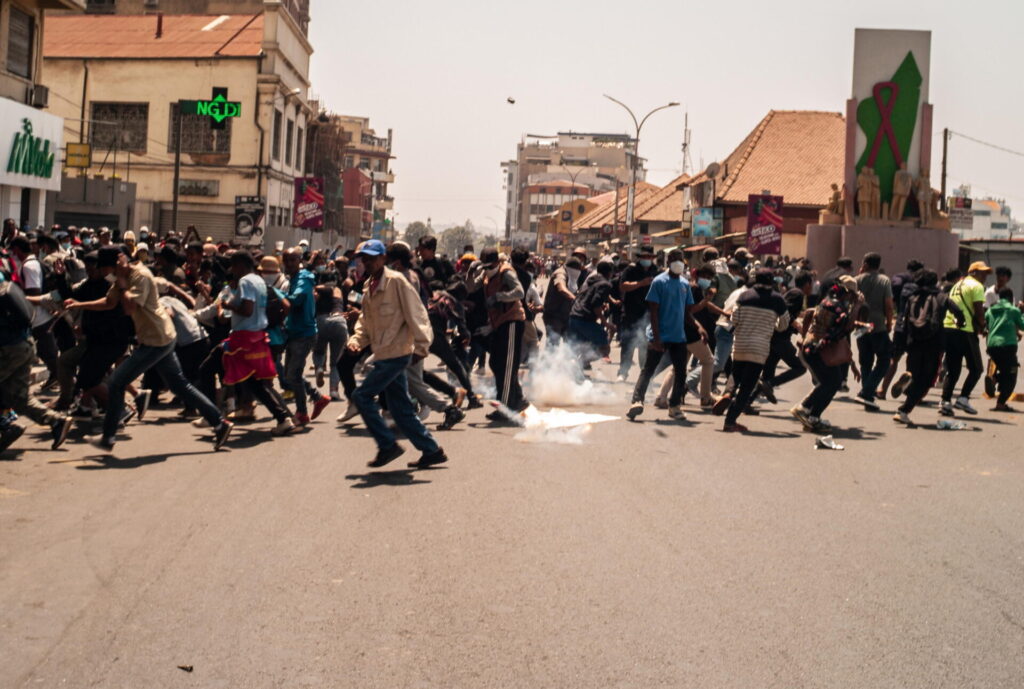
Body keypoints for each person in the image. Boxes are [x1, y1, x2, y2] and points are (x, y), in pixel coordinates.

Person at [64, 246, 232, 452]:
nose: (103, 272)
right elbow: (109, 302)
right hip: (157, 337)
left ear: (115, 264)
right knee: (179, 385)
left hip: (156, 339)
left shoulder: (139, 276)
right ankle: (220, 423)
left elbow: (129, 308)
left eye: (104, 267)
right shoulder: (121, 278)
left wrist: (122, 282)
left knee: (116, 382)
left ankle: (108, 437)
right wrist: (79, 304)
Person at [346, 240, 448, 469]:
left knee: (362, 396)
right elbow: (365, 321)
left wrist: (422, 347)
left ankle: (387, 445)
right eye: (364, 259)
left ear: (383, 258)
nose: (367, 262)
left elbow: (417, 314)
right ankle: (432, 451)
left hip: (397, 353)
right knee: (401, 409)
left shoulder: (397, 282)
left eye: (372, 258)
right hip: (383, 353)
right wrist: (355, 342)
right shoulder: (369, 286)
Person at [219, 250, 297, 435]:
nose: (232, 271)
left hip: (243, 338)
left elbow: (247, 310)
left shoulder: (246, 281)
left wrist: (228, 305)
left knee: (209, 368)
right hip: (257, 336)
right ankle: (283, 417)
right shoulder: (259, 281)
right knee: (257, 383)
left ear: (240, 265)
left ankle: (212, 415)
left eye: (234, 266)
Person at [0, 277, 72, 451]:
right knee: (20, 397)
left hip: (8, 349)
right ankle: (57, 421)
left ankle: (6, 426)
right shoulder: (4, 283)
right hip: (25, 344)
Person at [626, 250, 696, 422]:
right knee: (648, 370)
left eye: (680, 260)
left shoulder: (685, 284)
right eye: (675, 259)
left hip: (678, 337)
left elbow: (688, 312)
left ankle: (674, 406)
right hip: (659, 335)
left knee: (681, 372)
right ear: (669, 261)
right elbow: (654, 312)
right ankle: (637, 402)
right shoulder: (659, 282)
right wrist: (657, 339)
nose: (678, 262)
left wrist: (698, 327)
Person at [721, 269, 789, 433]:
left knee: (736, 375)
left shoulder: (744, 296)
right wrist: (771, 324)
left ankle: (728, 393)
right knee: (747, 387)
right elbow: (783, 325)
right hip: (759, 349)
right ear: (771, 281)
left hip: (740, 345)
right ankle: (730, 421)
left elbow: (734, 319)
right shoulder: (777, 299)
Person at [790, 276, 861, 432]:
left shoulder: (827, 302)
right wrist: (856, 307)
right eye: (852, 295)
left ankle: (811, 415)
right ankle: (805, 409)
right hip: (819, 349)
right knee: (832, 382)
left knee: (830, 382)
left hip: (812, 347)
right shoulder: (838, 308)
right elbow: (845, 330)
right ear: (848, 293)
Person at [893, 269, 964, 424]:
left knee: (914, 374)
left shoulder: (912, 297)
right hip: (934, 344)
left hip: (913, 343)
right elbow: (958, 310)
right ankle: (904, 409)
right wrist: (960, 321)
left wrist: (903, 342)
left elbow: (904, 320)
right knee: (927, 380)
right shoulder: (941, 297)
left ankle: (907, 384)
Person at [477, 247, 529, 421]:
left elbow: (519, 292)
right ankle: (518, 398)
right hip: (499, 324)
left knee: (506, 366)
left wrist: (499, 296)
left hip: (512, 321)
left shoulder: (506, 273)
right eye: (484, 267)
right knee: (496, 363)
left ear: (496, 263)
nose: (487, 270)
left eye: (489, 266)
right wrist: (471, 272)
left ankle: (505, 408)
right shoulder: (486, 274)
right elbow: (471, 286)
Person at [281, 248, 331, 426]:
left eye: (292, 260)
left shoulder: (303, 278)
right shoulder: (293, 278)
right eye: (286, 260)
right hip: (293, 332)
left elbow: (296, 299)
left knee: (292, 374)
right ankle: (317, 397)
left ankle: (302, 412)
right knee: (290, 375)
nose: (289, 264)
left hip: (304, 334)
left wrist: (277, 294)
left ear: (300, 261)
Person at [940, 262, 991, 416]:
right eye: (982, 273)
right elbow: (978, 309)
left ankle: (945, 401)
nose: (985, 276)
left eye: (986, 273)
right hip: (965, 330)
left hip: (949, 327)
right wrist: (983, 325)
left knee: (953, 369)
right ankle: (963, 398)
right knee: (976, 368)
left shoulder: (957, 285)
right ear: (973, 272)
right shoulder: (977, 286)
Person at [759, 269, 812, 401]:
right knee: (800, 367)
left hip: (776, 337)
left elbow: (789, 311)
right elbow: (785, 311)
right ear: (807, 284)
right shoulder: (797, 294)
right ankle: (770, 384)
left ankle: (747, 400)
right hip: (780, 338)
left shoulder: (794, 293)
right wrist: (797, 326)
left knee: (769, 369)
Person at [854, 252, 894, 410]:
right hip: (878, 326)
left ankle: (867, 396)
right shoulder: (884, 280)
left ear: (865, 264)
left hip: (860, 326)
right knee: (884, 360)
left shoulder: (857, 280)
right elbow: (889, 305)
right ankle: (867, 392)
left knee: (865, 362)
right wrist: (889, 323)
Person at [616, 248, 658, 381]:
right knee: (628, 343)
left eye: (649, 257)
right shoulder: (631, 269)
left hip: (648, 313)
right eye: (645, 256)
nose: (647, 259)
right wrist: (640, 284)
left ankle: (644, 376)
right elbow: (623, 286)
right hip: (631, 312)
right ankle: (623, 372)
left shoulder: (655, 270)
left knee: (645, 345)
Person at [568, 260, 615, 368]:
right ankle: (578, 364)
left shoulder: (591, 280)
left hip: (574, 316)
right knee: (604, 349)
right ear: (609, 273)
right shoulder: (605, 284)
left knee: (581, 347)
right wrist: (606, 323)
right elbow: (595, 304)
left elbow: (586, 298)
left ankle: (574, 368)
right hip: (584, 319)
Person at [984, 287, 1023, 412]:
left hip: (992, 346)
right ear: (1011, 298)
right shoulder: (1013, 310)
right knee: (1011, 374)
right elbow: (1022, 325)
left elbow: (986, 323)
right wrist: (1021, 311)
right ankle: (1000, 402)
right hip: (1007, 346)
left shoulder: (991, 310)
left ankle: (994, 378)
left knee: (1005, 370)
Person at [542, 257, 580, 347]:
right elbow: (561, 288)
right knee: (553, 345)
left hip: (566, 315)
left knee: (570, 343)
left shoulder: (571, 276)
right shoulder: (560, 273)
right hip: (554, 316)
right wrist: (575, 299)